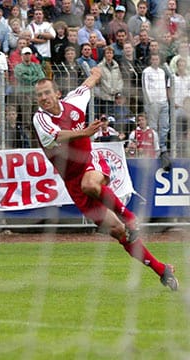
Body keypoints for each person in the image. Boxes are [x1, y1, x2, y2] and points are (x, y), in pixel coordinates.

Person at [32, 66, 178, 291]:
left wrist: (97, 71)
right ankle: (162, 270)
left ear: (57, 93)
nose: (43, 98)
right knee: (120, 234)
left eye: (47, 93)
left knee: (90, 184)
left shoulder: (75, 100)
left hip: (90, 163)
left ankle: (130, 217)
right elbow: (57, 136)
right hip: (72, 184)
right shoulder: (39, 119)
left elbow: (90, 82)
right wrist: (84, 132)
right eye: (39, 95)